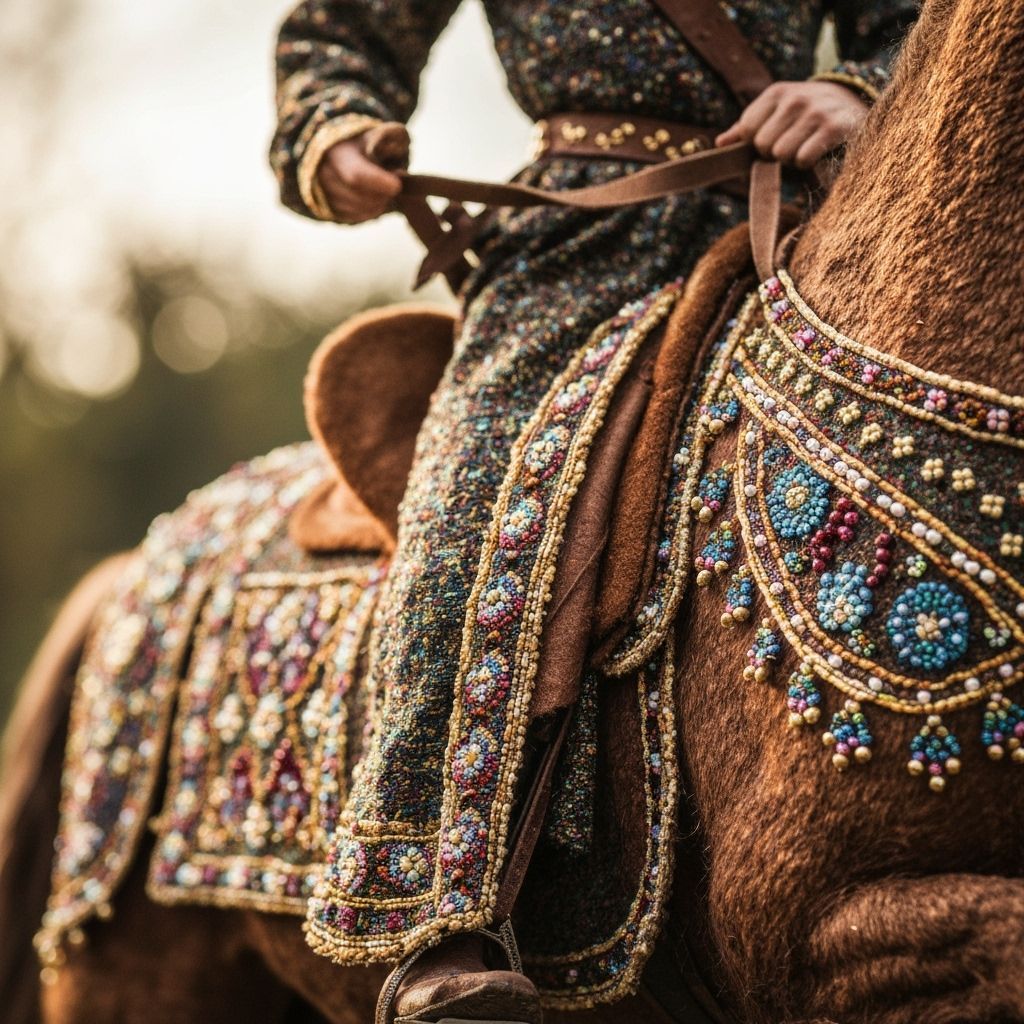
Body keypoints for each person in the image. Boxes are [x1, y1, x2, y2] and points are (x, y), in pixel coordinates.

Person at [270, 3, 916, 1021]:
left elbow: (928, 20)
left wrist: (856, 89)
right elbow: (343, 29)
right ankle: (444, 910)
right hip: (579, 241)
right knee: (470, 513)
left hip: (822, 233)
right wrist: (334, 128)